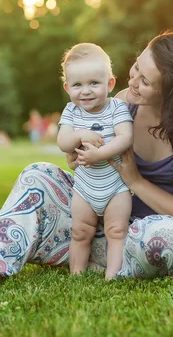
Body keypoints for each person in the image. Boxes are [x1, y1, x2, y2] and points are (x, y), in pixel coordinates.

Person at [0, 31, 173, 288]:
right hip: (117, 228)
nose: (133, 81)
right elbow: (92, 158)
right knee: (38, 175)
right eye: (137, 67)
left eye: (145, 81)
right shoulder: (123, 103)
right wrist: (81, 158)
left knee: (157, 237)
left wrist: (136, 181)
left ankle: (107, 262)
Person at [56, 43, 133, 280]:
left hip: (116, 187)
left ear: (109, 84)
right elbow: (63, 142)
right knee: (80, 232)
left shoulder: (116, 108)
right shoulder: (71, 112)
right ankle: (76, 274)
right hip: (85, 188)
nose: (86, 91)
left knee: (117, 231)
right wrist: (79, 135)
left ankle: (113, 275)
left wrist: (100, 154)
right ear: (67, 87)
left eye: (94, 83)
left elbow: (125, 137)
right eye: (78, 85)